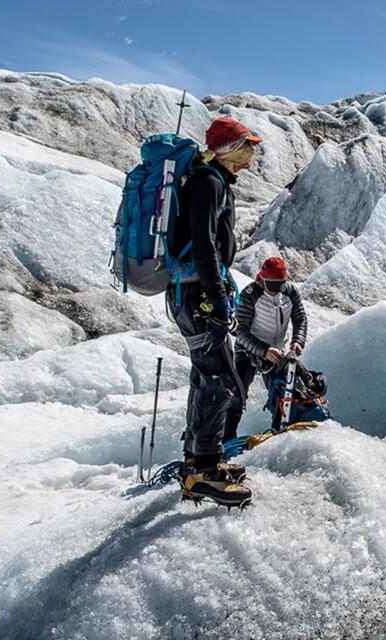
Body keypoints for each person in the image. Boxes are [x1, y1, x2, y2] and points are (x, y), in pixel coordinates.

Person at [168, 116, 261, 506]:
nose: (250, 157)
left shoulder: (212, 181)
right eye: (246, 149)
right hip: (198, 295)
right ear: (228, 150)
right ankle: (204, 470)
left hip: (195, 292)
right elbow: (205, 244)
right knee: (220, 378)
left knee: (207, 374)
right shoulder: (208, 183)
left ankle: (198, 461)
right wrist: (216, 295)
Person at [227, 255, 309, 435]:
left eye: (279, 284)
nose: (275, 289)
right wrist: (263, 350)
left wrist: (298, 340)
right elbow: (241, 331)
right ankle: (226, 437)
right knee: (237, 393)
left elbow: (300, 318)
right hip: (249, 351)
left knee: (284, 391)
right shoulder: (250, 295)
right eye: (271, 284)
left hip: (277, 351)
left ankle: (279, 429)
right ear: (262, 279)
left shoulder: (289, 292)